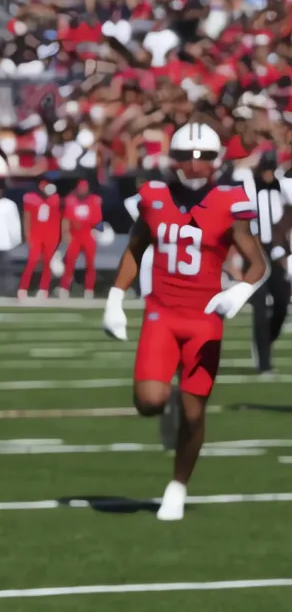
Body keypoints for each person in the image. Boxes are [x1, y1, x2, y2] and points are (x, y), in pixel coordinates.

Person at [102, 123, 267, 521]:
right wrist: (114, 297)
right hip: (162, 313)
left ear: (217, 160)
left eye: (204, 156)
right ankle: (166, 407)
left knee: (194, 414)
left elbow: (257, 263)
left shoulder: (231, 202)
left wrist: (240, 290)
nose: (194, 165)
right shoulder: (154, 196)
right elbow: (135, 249)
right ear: (172, 158)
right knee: (148, 402)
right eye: (187, 156)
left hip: (205, 318)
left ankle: (177, 485)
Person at [242, 157, 290, 372]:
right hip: (255, 253)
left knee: (282, 302)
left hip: (277, 252)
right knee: (260, 307)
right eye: (265, 170)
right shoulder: (250, 187)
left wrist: (282, 243)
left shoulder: (283, 186)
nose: (268, 175)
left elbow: (289, 213)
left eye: (271, 170)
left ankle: (267, 339)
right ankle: (263, 361)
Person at [58, 178, 104, 298]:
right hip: (75, 235)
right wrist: (65, 233)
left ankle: (89, 290)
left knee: (90, 263)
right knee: (69, 263)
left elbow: (98, 220)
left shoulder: (94, 200)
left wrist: (99, 232)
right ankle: (64, 288)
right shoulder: (71, 200)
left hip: (88, 234)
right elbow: (66, 218)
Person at [18, 178, 63, 299]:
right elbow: (27, 218)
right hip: (36, 233)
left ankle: (44, 289)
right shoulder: (31, 198)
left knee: (47, 262)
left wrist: (58, 237)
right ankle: (23, 288)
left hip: (51, 234)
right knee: (32, 261)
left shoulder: (55, 199)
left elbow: (58, 219)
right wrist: (28, 235)